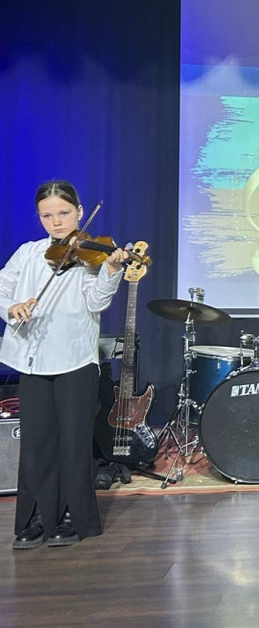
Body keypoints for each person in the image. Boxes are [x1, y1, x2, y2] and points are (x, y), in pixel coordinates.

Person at [0, 180, 128, 549]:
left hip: (75, 359)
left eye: (64, 213)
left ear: (80, 212)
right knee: (36, 445)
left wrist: (111, 270)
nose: (56, 222)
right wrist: (11, 306)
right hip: (33, 360)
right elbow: (2, 288)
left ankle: (73, 517)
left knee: (73, 444)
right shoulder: (29, 253)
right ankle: (37, 517)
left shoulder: (91, 256)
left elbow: (97, 302)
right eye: (47, 215)